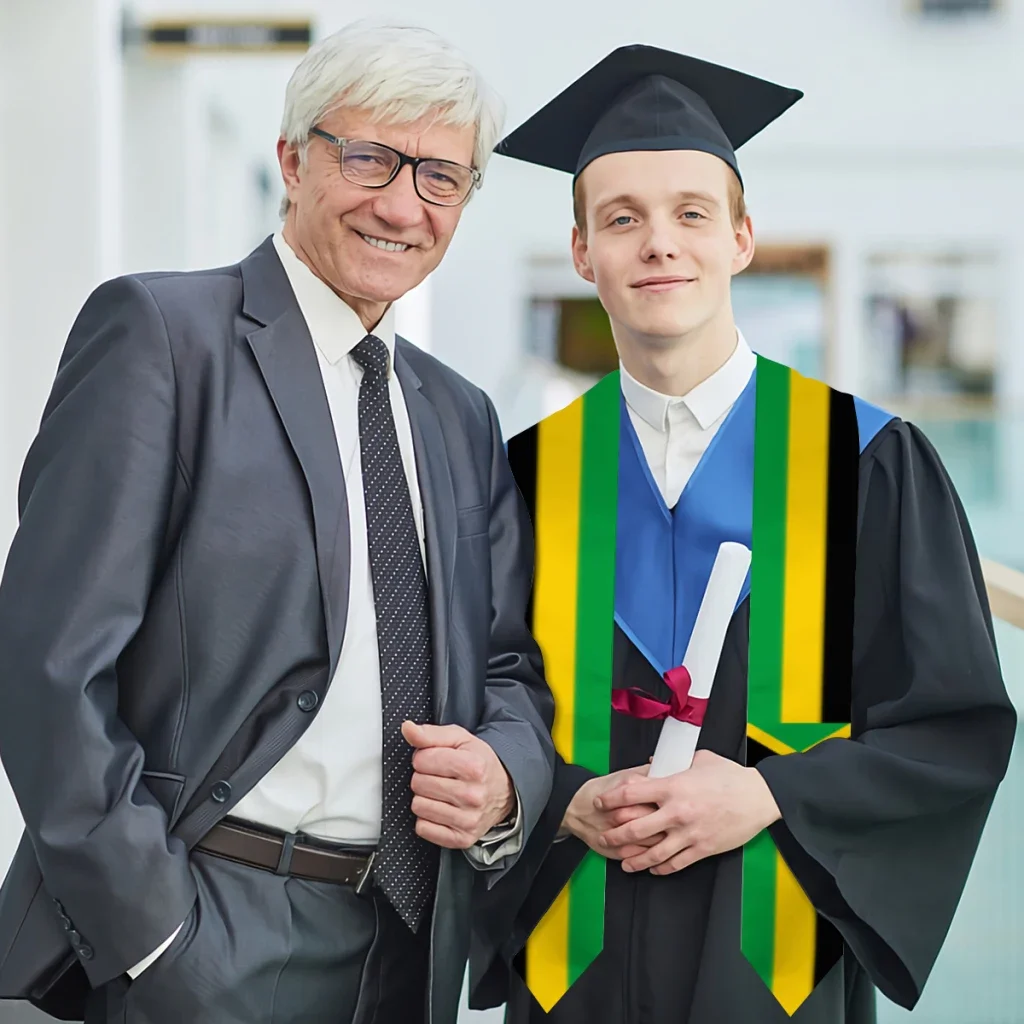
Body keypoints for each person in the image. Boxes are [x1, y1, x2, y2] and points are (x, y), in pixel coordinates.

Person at [0, 20, 554, 1024]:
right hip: (204, 926)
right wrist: (153, 937)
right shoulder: (164, 340)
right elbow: (49, 665)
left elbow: (508, 664)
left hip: (404, 941)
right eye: (370, 157)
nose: (401, 204)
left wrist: (505, 777)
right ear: (292, 160)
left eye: (440, 176)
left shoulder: (458, 413)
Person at [468, 44, 1017, 1024]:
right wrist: (561, 801)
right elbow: (472, 709)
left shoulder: (868, 463)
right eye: (621, 218)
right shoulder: (519, 478)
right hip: (575, 968)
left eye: (690, 212)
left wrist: (774, 797)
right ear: (582, 252)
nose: (657, 243)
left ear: (742, 238)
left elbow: (950, 727)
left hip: (774, 966)